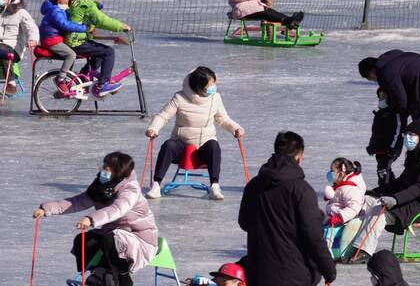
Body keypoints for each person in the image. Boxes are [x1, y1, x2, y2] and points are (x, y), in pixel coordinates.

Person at [33, 152, 158, 286]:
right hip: (114, 236)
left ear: (118, 171)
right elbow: (77, 202)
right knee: (84, 241)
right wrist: (46, 209)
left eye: (107, 168)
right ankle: (100, 276)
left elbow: (117, 209)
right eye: (104, 165)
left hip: (140, 239)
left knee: (111, 239)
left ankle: (120, 279)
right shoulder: (101, 186)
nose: (102, 170)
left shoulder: (130, 190)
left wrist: (91, 219)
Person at [344, 110, 420, 264]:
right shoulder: (415, 154)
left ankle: (363, 250)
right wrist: (374, 192)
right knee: (365, 201)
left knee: (380, 212)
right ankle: (345, 246)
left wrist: (395, 199)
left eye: (412, 135)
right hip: (411, 198)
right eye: (406, 135)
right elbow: (401, 182)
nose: (407, 138)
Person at [238, 131, 336, 286]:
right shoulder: (301, 190)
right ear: (299, 157)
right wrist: (329, 270)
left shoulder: (254, 185)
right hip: (294, 274)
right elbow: (313, 236)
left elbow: (244, 222)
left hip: (259, 273)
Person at [145, 67, 245, 200]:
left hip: (204, 146)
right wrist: (153, 128)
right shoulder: (180, 97)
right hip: (182, 146)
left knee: (214, 146)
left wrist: (235, 128)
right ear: (199, 87)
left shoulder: (215, 98)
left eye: (214, 84)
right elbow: (163, 116)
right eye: (210, 86)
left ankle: (214, 186)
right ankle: (156, 185)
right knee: (168, 145)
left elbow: (223, 119)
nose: (213, 88)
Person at [65, 0, 131, 97]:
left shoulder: (78, 0)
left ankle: (82, 78)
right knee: (109, 52)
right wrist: (121, 26)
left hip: (75, 39)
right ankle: (103, 85)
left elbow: (91, 20)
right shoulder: (88, 4)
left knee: (100, 53)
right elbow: (101, 20)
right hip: (76, 42)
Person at [39, 0, 88, 94]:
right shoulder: (55, 10)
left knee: (72, 52)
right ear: (56, 1)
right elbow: (65, 25)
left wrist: (97, 6)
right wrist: (84, 28)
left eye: (66, 2)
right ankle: (60, 78)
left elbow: (73, 14)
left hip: (55, 38)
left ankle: (67, 75)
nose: (64, 5)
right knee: (71, 55)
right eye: (62, 2)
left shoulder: (61, 10)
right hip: (51, 40)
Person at [0, 0, 39, 95]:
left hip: (13, 47)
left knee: (2, 50)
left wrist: (33, 39)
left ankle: (11, 84)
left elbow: (31, 27)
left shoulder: (20, 12)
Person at [366, 87, 407, 185]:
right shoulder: (379, 114)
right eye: (379, 97)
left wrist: (393, 148)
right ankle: (391, 186)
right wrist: (372, 146)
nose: (381, 99)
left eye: (383, 96)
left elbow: (398, 132)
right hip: (380, 148)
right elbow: (375, 132)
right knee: (381, 168)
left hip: (390, 148)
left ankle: (385, 188)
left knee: (383, 168)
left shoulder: (396, 113)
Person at [228, 0, 304, 30]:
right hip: (240, 8)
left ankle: (289, 21)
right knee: (264, 12)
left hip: (255, 5)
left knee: (268, 11)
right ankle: (289, 21)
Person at [324, 157, 366, 226]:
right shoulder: (341, 186)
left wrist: (340, 217)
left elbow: (354, 208)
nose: (330, 174)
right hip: (333, 220)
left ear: (341, 174)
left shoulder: (351, 189)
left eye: (332, 171)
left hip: (344, 224)